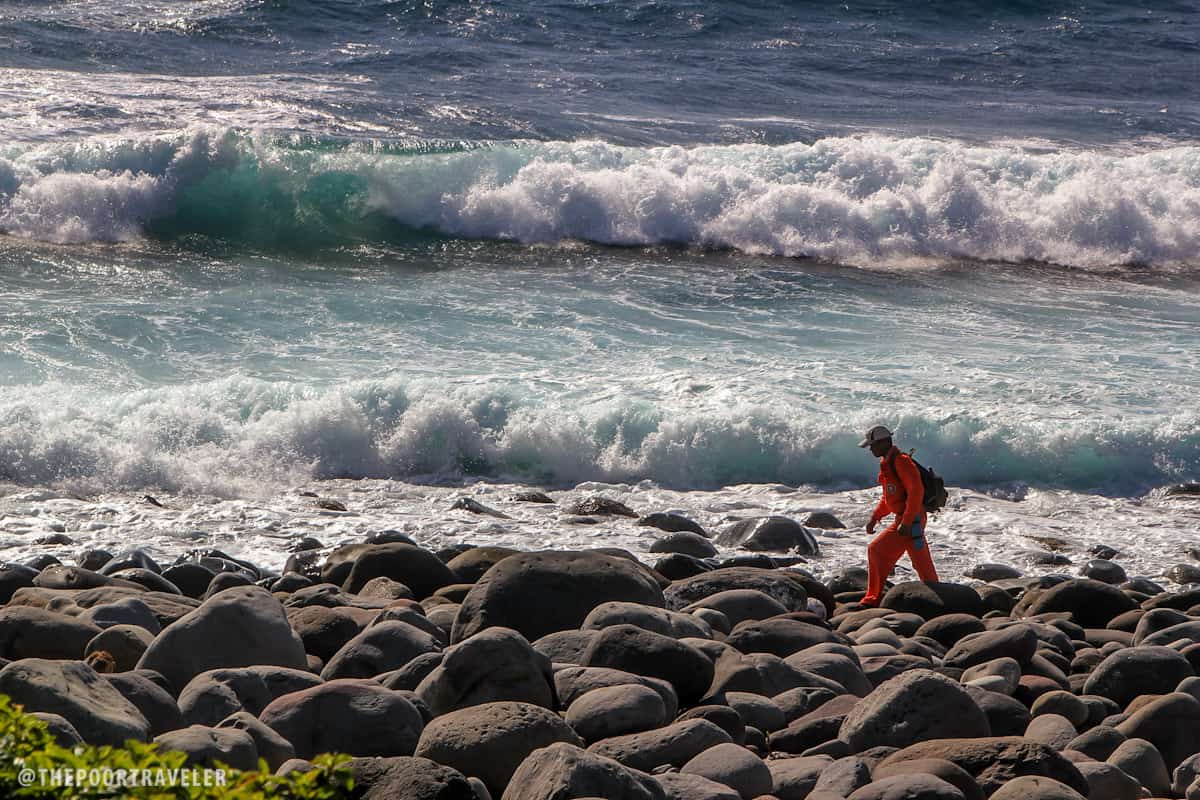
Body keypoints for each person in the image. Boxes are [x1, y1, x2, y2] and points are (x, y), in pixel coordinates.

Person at [858, 424, 939, 606]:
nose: (870, 449)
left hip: (911, 519)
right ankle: (941, 596)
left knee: (876, 550)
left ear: (884, 442)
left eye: (872, 445)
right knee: (922, 564)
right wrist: (875, 517)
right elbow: (891, 498)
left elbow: (916, 491)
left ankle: (873, 598)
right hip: (908, 519)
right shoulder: (887, 463)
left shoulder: (901, 462)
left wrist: (907, 521)